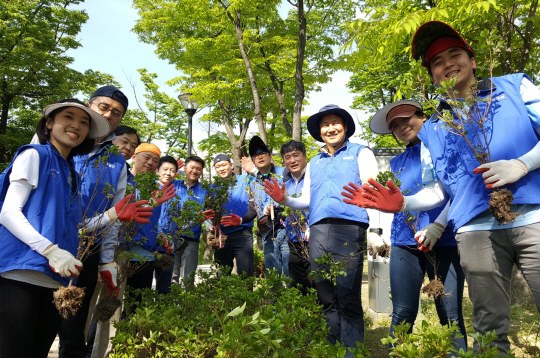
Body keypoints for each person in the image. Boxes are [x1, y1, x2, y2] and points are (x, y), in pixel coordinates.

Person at [354, 21, 540, 353]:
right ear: (432, 77)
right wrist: (403, 205)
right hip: (475, 233)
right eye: (437, 62)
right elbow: (441, 189)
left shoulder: (515, 87)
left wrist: (521, 164)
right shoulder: (435, 128)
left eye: (454, 54)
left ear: (472, 60)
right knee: (488, 329)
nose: (447, 64)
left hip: (534, 219)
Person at [0, 99, 135, 358]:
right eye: (68, 118)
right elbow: (8, 212)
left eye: (84, 123)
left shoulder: (71, 172)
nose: (76, 126)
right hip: (19, 275)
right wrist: (51, 251)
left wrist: (112, 215)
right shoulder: (34, 154)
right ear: (49, 123)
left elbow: (75, 229)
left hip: (54, 280)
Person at [263, 105, 382, 354]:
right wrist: (284, 200)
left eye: (335, 123)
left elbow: (374, 194)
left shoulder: (361, 153)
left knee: (347, 293)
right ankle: (332, 347)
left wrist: (376, 230)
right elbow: (306, 200)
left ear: (345, 126)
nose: (330, 128)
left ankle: (352, 350)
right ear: (319, 131)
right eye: (325, 125)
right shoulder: (314, 162)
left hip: (350, 228)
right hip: (318, 231)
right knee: (325, 294)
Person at [362, 100, 467, 352]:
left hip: (445, 240)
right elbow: (394, 202)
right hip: (405, 243)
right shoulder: (397, 162)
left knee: (449, 312)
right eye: (394, 126)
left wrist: (438, 225)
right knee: (403, 311)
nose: (402, 127)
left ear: (422, 117)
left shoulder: (447, 146)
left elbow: (459, 190)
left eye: (406, 119)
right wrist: (377, 232)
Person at [58, 86, 130, 358]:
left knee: (74, 326)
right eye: (103, 107)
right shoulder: (63, 143)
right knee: (33, 318)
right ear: (89, 106)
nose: (108, 114)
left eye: (116, 113)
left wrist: (107, 260)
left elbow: (116, 215)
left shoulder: (117, 162)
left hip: (87, 249)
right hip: (47, 245)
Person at [125, 144, 175, 295]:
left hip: (146, 253)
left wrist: (161, 235)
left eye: (155, 160)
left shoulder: (156, 188)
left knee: (137, 303)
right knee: (110, 304)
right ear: (134, 157)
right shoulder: (123, 181)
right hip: (121, 250)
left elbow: (155, 220)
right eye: (146, 157)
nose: (150, 163)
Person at [246, 136, 289, 278]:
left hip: (288, 228)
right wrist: (241, 220)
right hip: (267, 231)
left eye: (263, 154)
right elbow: (252, 206)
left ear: (270, 156)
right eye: (256, 156)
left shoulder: (284, 172)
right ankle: (274, 300)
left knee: (290, 273)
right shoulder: (251, 180)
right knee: (272, 275)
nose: (260, 157)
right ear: (252, 160)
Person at [279, 140, 315, 294]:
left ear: (305, 156)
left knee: (317, 284)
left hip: (313, 240)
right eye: (287, 157)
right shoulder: (285, 182)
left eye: (296, 155)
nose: (292, 160)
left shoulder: (314, 177)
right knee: (298, 286)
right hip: (293, 241)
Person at [213, 154, 257, 277]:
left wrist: (253, 171)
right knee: (222, 273)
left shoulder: (245, 180)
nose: (221, 169)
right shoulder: (212, 188)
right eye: (218, 167)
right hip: (222, 235)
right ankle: (224, 297)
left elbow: (262, 181)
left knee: (245, 272)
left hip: (242, 232)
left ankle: (247, 296)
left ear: (231, 165)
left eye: (224, 165)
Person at [171, 156, 210, 283]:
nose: (194, 171)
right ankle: (171, 303)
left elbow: (208, 214)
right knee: (172, 277)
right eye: (192, 167)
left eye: (198, 169)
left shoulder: (205, 190)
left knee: (188, 277)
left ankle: (187, 303)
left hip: (191, 239)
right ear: (185, 167)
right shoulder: (173, 184)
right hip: (171, 238)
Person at [155, 155, 179, 294]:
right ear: (157, 170)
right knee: (141, 287)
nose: (168, 173)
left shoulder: (175, 193)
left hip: (168, 247)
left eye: (172, 170)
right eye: (165, 169)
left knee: (164, 288)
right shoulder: (148, 188)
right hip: (148, 245)